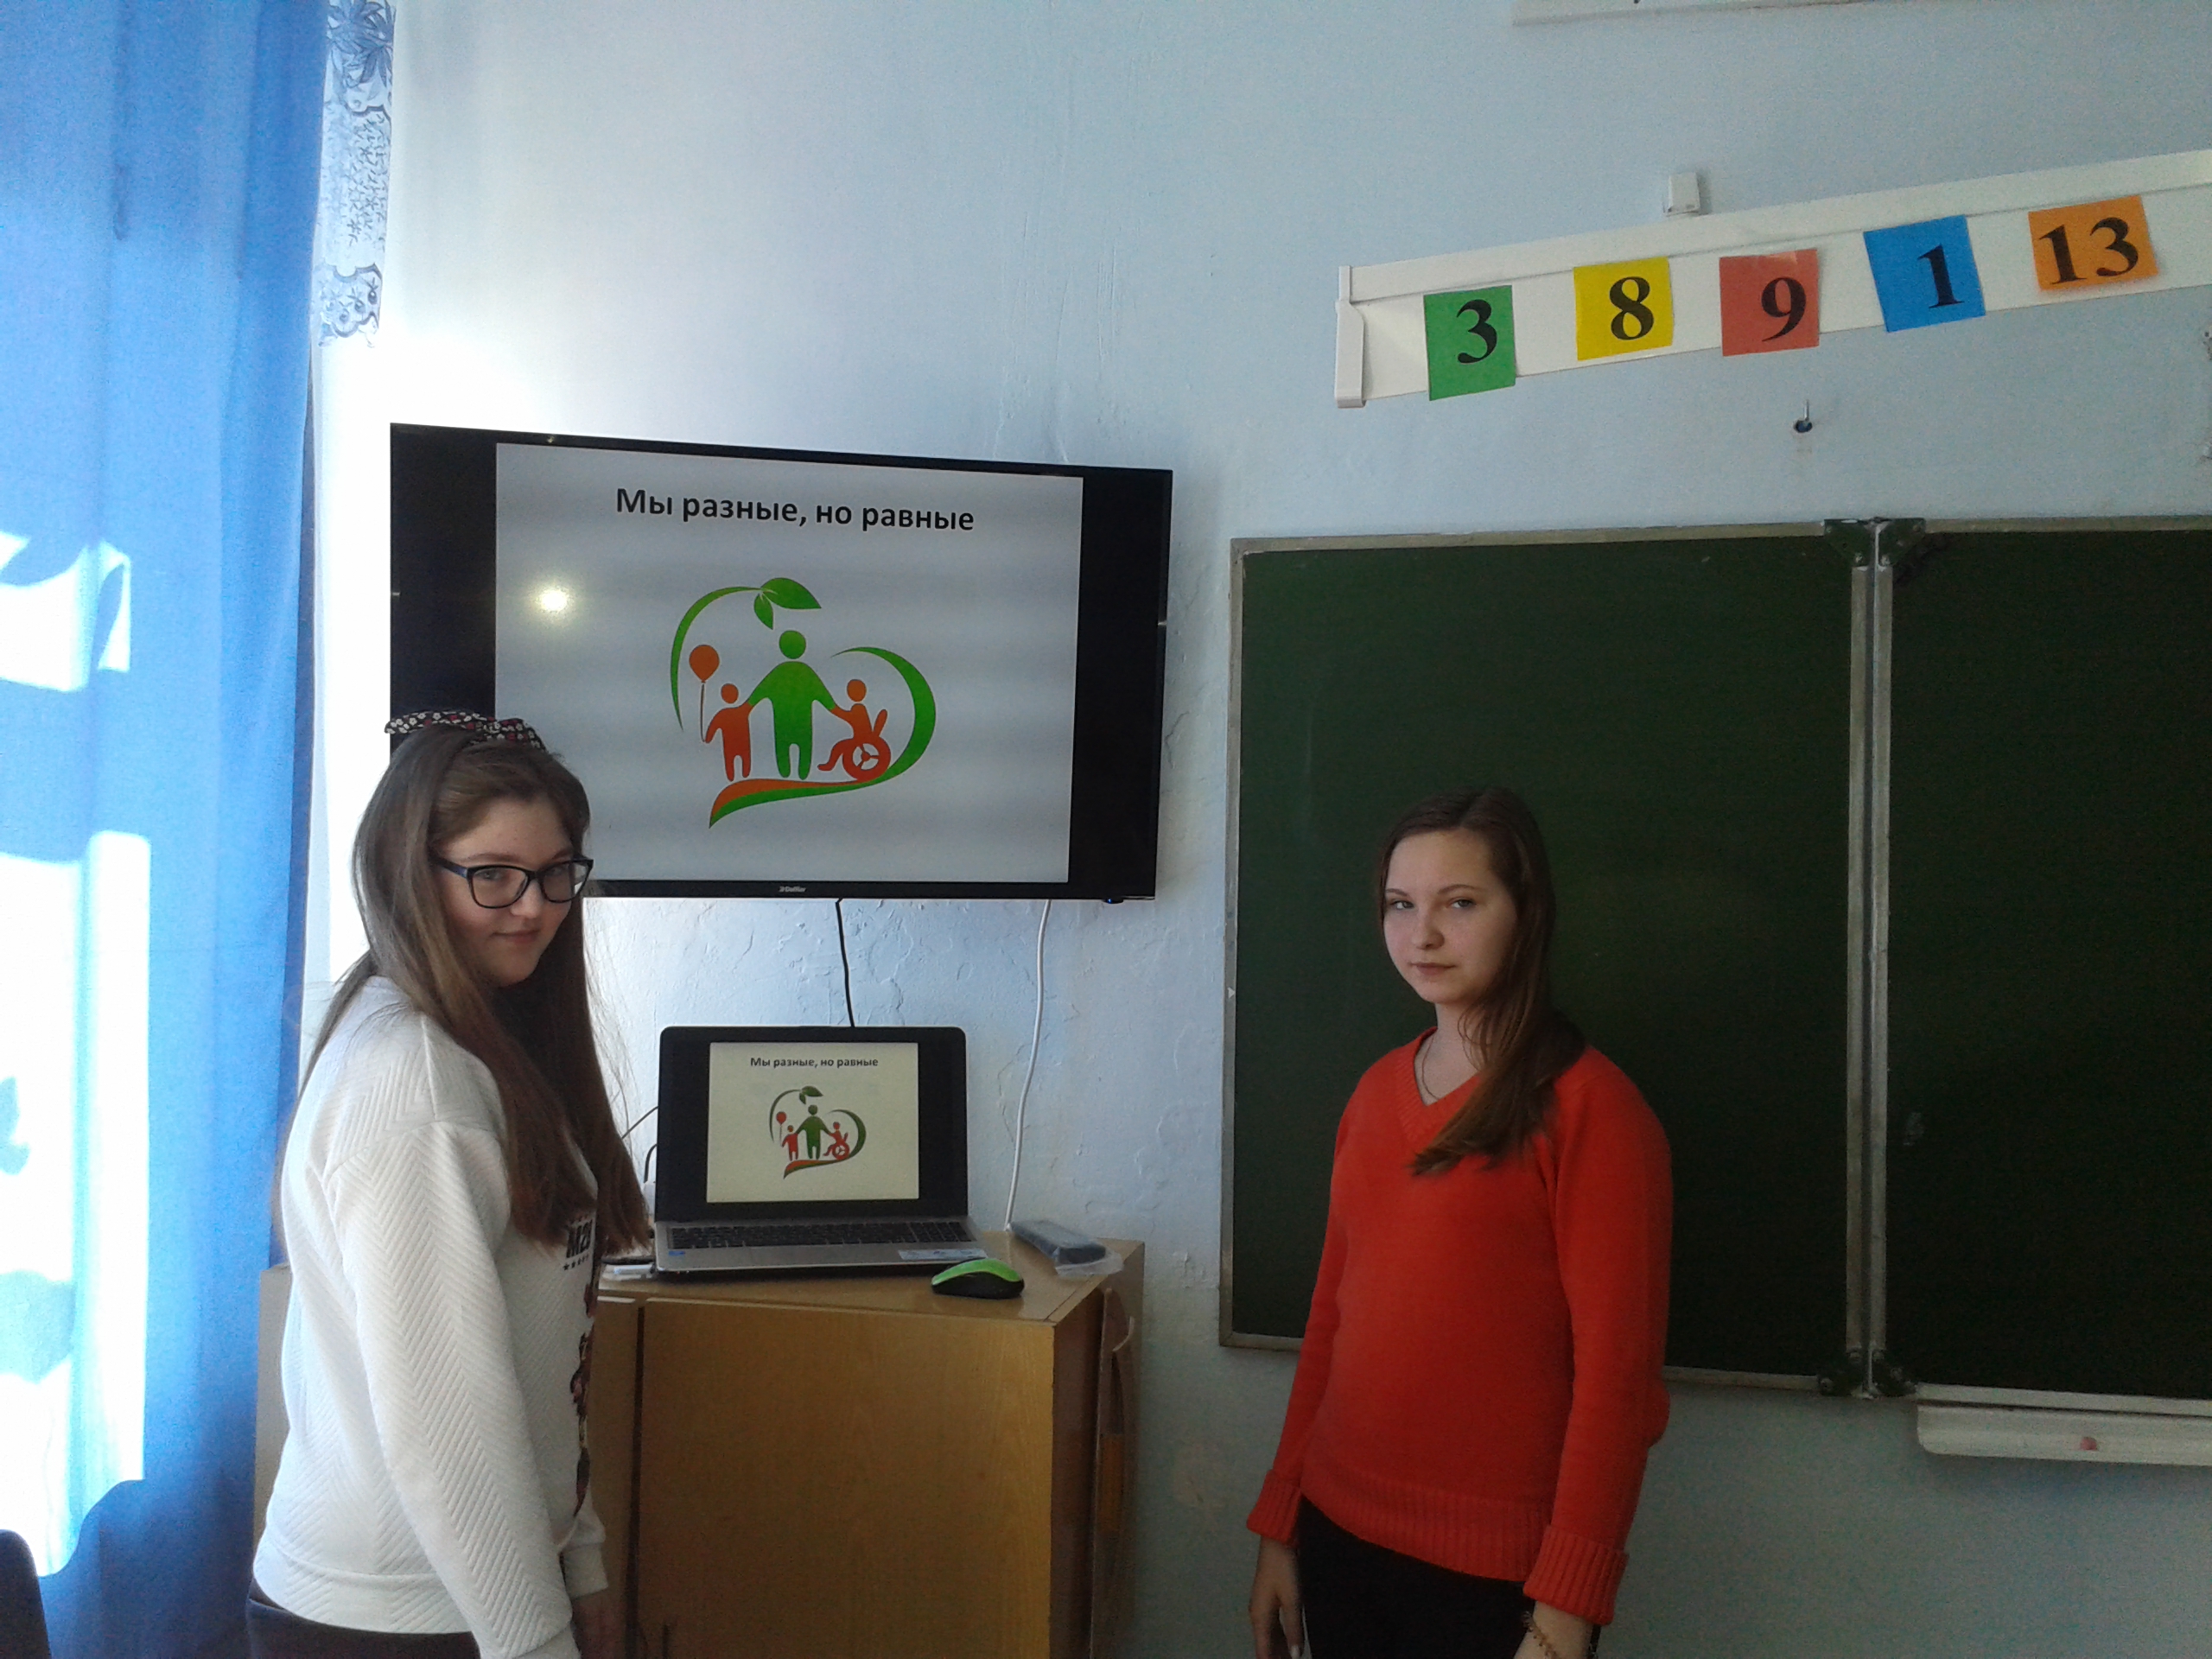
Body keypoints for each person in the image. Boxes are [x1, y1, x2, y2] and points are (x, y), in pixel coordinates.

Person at [251, 710, 651, 1659]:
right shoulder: (418, 1085)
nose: (534, 908)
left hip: (465, 1588)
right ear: (408, 873)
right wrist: (538, 1642)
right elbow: (447, 1431)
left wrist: (580, 1554)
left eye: (556, 872)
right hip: (398, 1609)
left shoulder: (477, 1035)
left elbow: (538, 1365)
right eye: (493, 875)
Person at [1247, 787, 1672, 1659]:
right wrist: (1281, 1523)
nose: (1423, 936)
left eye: (1461, 904)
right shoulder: (1374, 1093)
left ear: (1526, 914)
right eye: (1400, 905)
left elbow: (1616, 1382)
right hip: (1338, 1534)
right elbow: (1330, 1321)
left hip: (1495, 1580)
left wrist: (1566, 1608)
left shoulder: (1594, 1111)